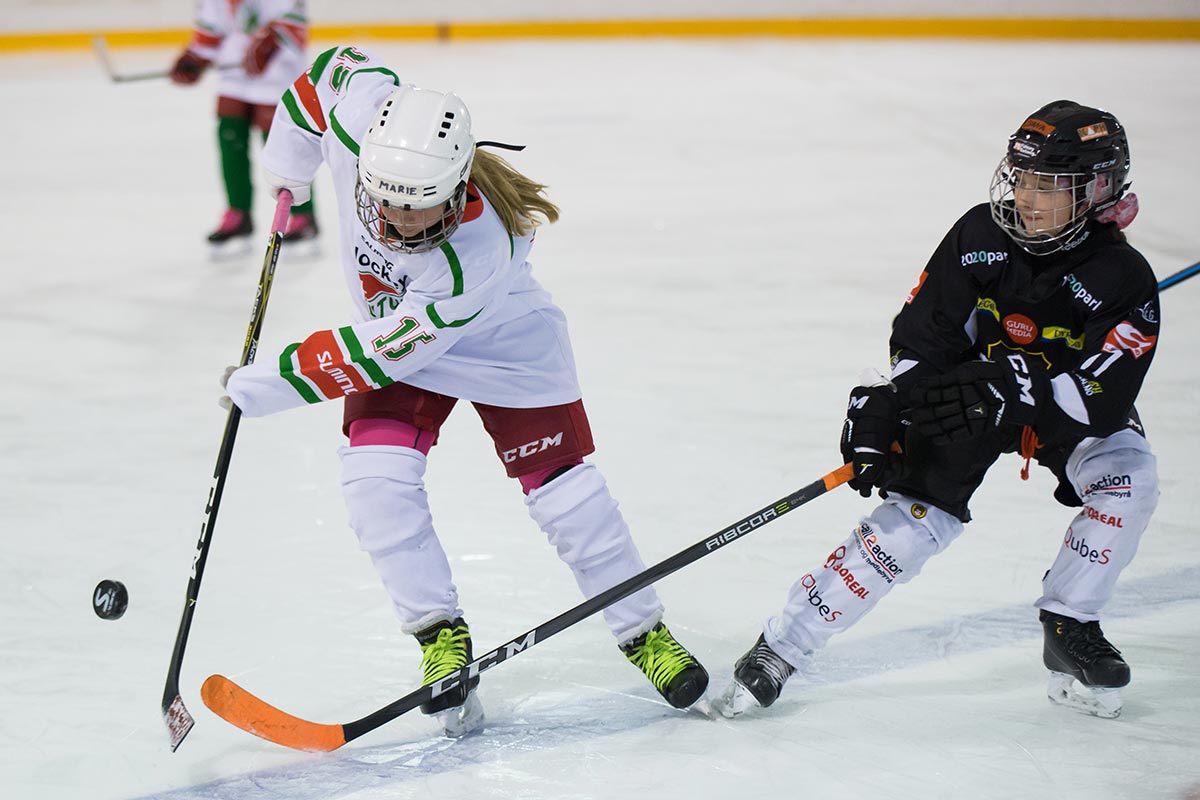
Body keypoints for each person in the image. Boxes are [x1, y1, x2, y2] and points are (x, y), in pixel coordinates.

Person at [220, 44, 709, 734]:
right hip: (401, 341)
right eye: (384, 201)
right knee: (374, 482)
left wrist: (271, 381)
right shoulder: (364, 119)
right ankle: (439, 638)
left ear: (456, 187)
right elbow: (317, 79)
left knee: (570, 499)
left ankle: (644, 633)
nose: (397, 221)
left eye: (420, 208)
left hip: (502, 349)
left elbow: (380, 353)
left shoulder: (479, 252)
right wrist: (287, 167)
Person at [717, 100, 1159, 721]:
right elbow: (923, 336)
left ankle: (1069, 624)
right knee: (911, 520)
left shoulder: (1122, 278)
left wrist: (1018, 384)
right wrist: (891, 404)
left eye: (1051, 187)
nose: (1028, 199)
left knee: (1128, 479)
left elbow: (1102, 396)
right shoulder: (980, 234)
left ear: (1099, 191)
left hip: (1057, 416)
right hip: (965, 404)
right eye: (1023, 179)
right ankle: (781, 647)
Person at [170, 0, 318, 254]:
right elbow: (212, 26)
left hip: (277, 68)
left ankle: (303, 216)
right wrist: (195, 56)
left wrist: (274, 39)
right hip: (234, 70)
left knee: (280, 143)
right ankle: (238, 213)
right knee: (230, 135)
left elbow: (293, 17)